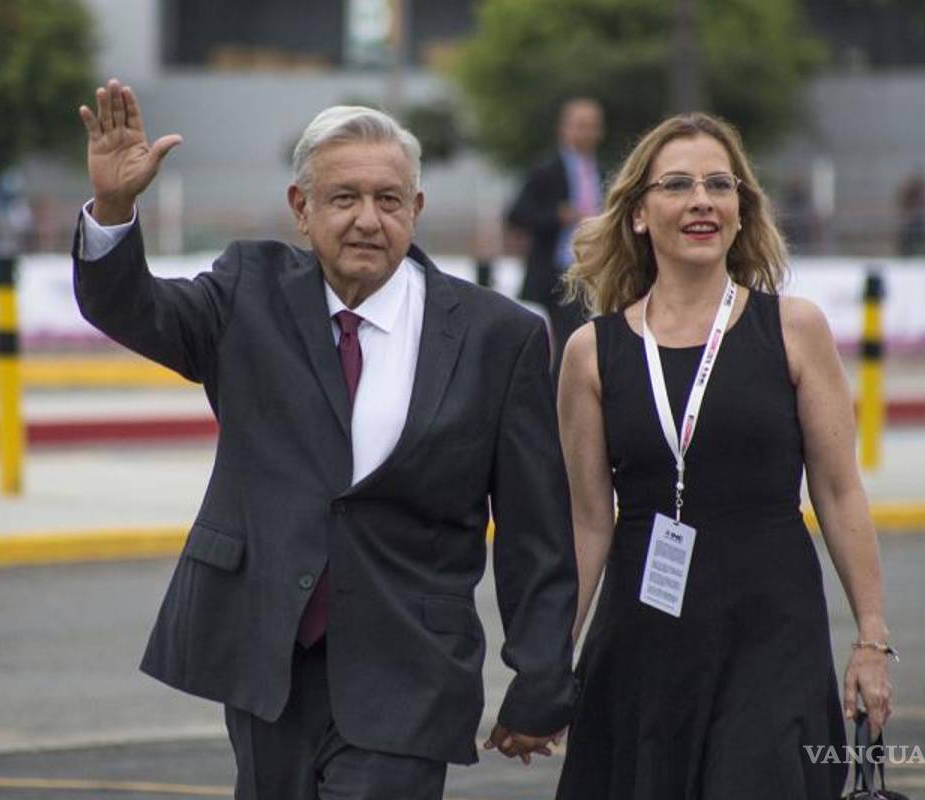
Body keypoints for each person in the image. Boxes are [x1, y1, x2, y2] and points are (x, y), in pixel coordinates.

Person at [72, 79, 577, 800]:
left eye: (389, 199)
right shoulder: (248, 290)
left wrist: (541, 677)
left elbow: (535, 531)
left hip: (411, 668)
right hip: (267, 661)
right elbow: (131, 308)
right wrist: (116, 208)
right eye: (344, 199)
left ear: (417, 210)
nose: (368, 220)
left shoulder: (501, 337)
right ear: (301, 210)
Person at [554, 112, 893, 799]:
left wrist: (871, 639)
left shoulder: (794, 330)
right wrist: (548, 659)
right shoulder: (593, 353)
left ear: (741, 210)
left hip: (772, 635)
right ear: (641, 214)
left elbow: (838, 491)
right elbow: (588, 523)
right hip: (643, 644)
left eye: (719, 184)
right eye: (677, 185)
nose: (701, 200)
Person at [507, 98, 605, 375]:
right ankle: (555, 407)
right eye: (580, 125)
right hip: (554, 273)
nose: (586, 132)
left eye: (592, 126)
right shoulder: (546, 169)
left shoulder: (602, 170)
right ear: (563, 129)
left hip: (590, 272)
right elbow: (517, 214)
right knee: (561, 345)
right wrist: (557, 216)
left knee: (586, 341)